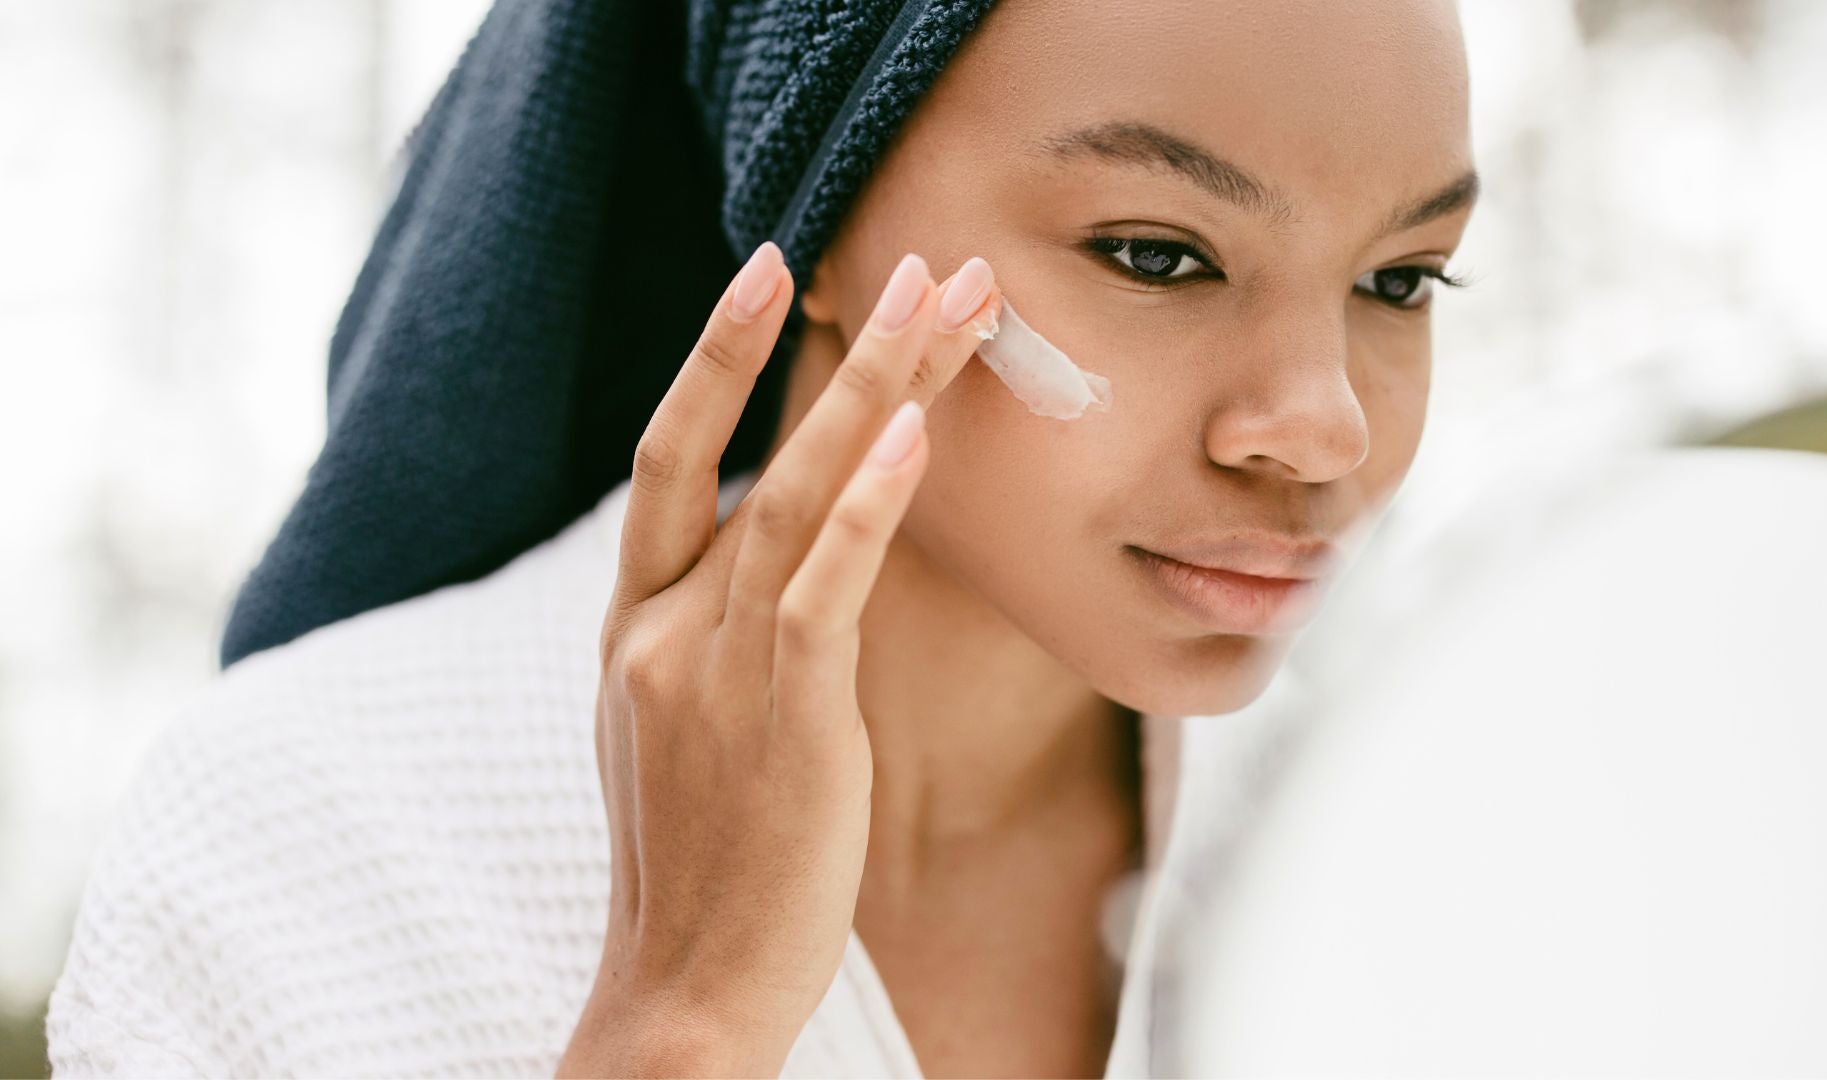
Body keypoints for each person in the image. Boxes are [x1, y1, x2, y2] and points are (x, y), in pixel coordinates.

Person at [46, 0, 1478, 1075]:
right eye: (1158, 255)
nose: (1323, 426)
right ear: (830, 220)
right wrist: (682, 1023)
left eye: (1400, 281)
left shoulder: (1444, 828)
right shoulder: (299, 837)